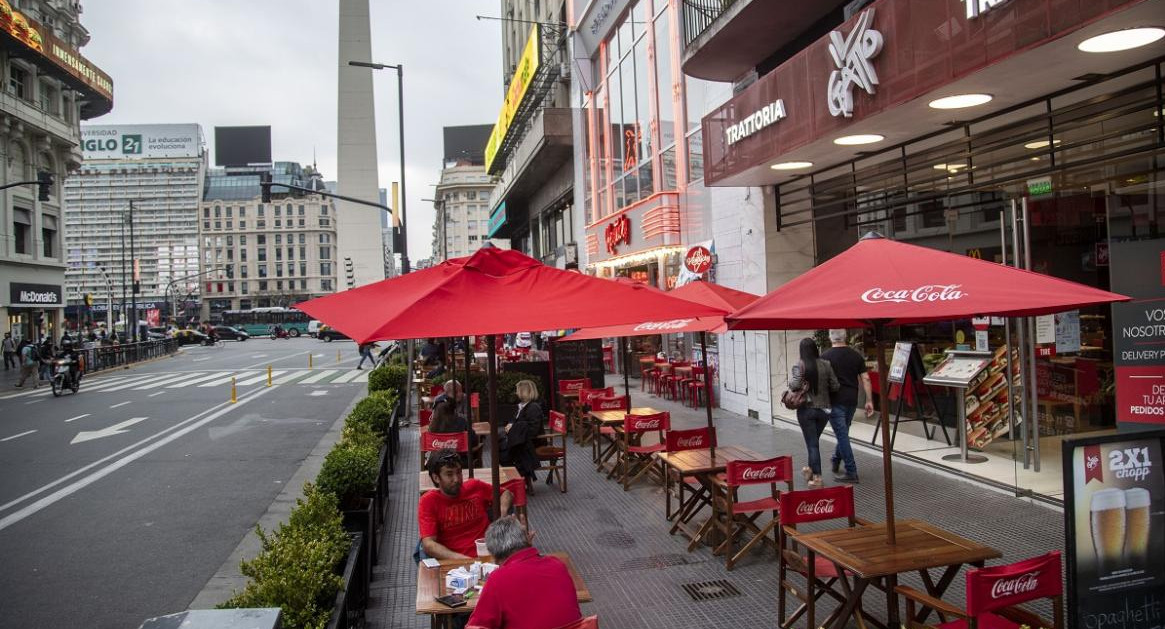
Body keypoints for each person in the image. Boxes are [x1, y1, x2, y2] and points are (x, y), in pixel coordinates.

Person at [466, 516, 582, 629]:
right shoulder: (557, 565)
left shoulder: (498, 579)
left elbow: (477, 626)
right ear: (526, 540)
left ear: (495, 556)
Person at [418, 449, 512, 561]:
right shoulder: (428, 501)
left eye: (458, 472)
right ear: (436, 478)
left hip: (490, 555)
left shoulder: (474, 486)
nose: (457, 479)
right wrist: (464, 560)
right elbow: (429, 544)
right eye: (449, 474)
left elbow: (506, 493)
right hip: (455, 564)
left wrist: (502, 513)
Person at [822, 329, 873, 484]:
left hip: (834, 401)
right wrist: (869, 400)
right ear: (846, 337)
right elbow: (866, 378)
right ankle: (836, 459)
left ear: (831, 337)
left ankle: (851, 471)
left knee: (842, 435)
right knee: (843, 431)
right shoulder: (855, 355)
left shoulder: (824, 357)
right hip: (852, 400)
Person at [789, 338, 839, 488]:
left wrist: (791, 383)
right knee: (813, 443)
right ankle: (810, 473)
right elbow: (835, 386)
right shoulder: (826, 364)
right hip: (824, 411)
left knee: (812, 445)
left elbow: (795, 385)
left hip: (806, 410)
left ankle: (817, 478)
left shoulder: (799, 365)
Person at [499, 380, 542, 490]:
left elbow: (534, 430)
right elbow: (515, 421)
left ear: (524, 391)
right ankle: (517, 477)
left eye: (518, 390)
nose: (516, 393)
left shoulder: (533, 408)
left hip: (532, 442)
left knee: (506, 450)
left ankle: (517, 478)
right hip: (520, 440)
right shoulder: (521, 406)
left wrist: (514, 428)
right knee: (500, 445)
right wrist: (510, 425)